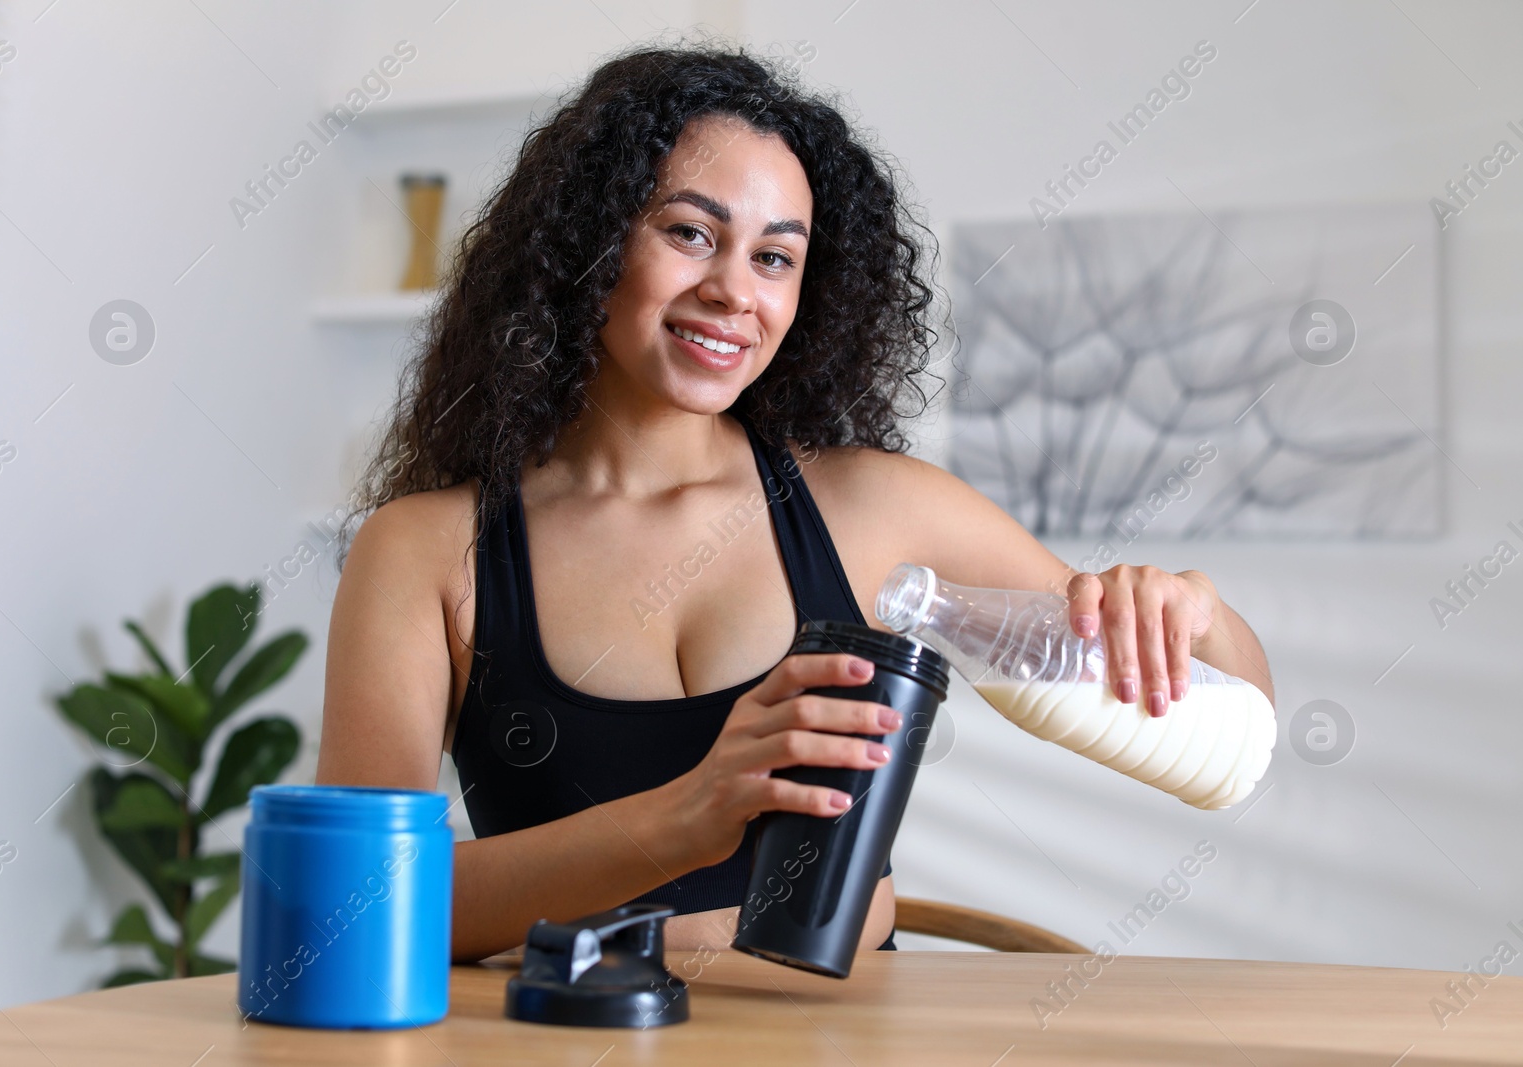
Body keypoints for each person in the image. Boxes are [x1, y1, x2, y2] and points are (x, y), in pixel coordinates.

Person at [315, 40, 1275, 964]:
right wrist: (684, 815)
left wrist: (1194, 612)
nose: (735, 291)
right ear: (588, 242)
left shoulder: (878, 510)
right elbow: (355, 905)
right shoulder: (427, 550)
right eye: (690, 232)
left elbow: (1238, 724)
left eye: (775, 256)